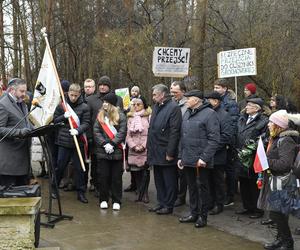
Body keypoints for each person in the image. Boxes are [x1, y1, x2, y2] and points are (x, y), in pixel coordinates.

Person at [178, 90, 220, 228]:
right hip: (188, 158)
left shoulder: (210, 114)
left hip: (201, 160)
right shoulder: (187, 113)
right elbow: (182, 137)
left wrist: (204, 158)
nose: (186, 101)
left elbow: (214, 139)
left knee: (202, 188)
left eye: (188, 98)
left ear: (196, 100)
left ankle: (203, 216)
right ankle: (193, 213)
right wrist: (181, 156)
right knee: (192, 188)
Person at [260, 110, 300, 250]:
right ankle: (280, 239)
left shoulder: (286, 140)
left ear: (278, 125)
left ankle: (288, 243)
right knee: (276, 213)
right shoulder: (277, 138)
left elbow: (285, 164)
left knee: (279, 214)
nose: (269, 124)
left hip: (284, 182)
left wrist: (266, 161)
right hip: (277, 181)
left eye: (271, 122)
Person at [147, 84, 182, 215]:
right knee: (158, 179)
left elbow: (175, 131)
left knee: (169, 180)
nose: (153, 97)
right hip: (155, 149)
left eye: (155, 94)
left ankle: (169, 204)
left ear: (162, 94)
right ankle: (161, 202)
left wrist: (170, 152)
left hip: (166, 150)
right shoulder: (156, 106)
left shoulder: (173, 108)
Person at [87, 75, 123, 197]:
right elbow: (89, 119)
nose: (102, 87)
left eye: (105, 85)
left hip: (114, 139)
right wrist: (90, 137)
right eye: (100, 85)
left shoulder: (118, 99)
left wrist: (116, 141)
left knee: (114, 167)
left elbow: (120, 120)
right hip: (98, 138)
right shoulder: (91, 99)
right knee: (97, 165)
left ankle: (112, 189)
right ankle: (98, 187)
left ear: (109, 86)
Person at [53, 83, 90, 203]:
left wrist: (78, 130)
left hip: (77, 142)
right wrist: (63, 116)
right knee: (60, 166)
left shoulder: (85, 107)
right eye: (71, 95)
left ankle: (81, 192)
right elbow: (54, 120)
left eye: (76, 95)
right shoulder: (62, 105)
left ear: (79, 94)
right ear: (68, 93)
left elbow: (86, 123)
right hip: (64, 141)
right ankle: (54, 188)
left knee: (79, 169)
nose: (73, 97)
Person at [235, 98, 268, 218]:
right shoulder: (242, 118)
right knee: (243, 182)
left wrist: (251, 148)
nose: (246, 107)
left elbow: (265, 139)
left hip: (253, 157)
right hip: (240, 155)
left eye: (249, 105)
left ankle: (257, 209)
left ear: (257, 108)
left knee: (254, 184)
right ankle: (247, 207)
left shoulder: (264, 121)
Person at [94, 93, 127, 211]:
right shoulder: (100, 116)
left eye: (106, 102)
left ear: (112, 104)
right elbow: (96, 131)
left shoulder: (121, 116)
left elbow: (122, 132)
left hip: (116, 152)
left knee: (116, 178)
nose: (104, 104)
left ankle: (116, 200)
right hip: (103, 152)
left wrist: (112, 144)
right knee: (103, 177)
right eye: (103, 102)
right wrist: (104, 144)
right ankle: (103, 199)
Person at [205, 91, 234, 215]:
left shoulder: (224, 115)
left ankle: (219, 204)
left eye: (209, 100)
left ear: (216, 101)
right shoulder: (207, 113)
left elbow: (226, 136)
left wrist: (211, 147)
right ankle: (210, 202)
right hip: (207, 153)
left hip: (217, 154)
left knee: (218, 180)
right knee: (208, 180)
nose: (206, 102)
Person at [0, 78, 32, 187]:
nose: (24, 94)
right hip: (9, 163)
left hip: (23, 160)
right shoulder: (3, 105)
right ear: (12, 90)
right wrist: (19, 132)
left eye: (25, 91)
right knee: (9, 198)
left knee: (22, 195)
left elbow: (24, 122)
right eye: (22, 91)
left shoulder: (22, 103)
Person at [214, 78, 239, 207]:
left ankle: (230, 195)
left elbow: (233, 123)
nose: (216, 90)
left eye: (218, 87)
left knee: (229, 169)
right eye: (215, 87)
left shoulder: (231, 103)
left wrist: (229, 140)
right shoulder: (215, 101)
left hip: (227, 141)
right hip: (217, 139)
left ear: (225, 88)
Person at [126, 96, 151, 203]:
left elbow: (151, 133)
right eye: (134, 104)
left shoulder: (149, 116)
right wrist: (133, 146)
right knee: (136, 171)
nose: (136, 106)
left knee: (145, 172)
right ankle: (139, 192)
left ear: (144, 105)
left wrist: (144, 145)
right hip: (134, 149)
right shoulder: (130, 117)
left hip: (145, 148)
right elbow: (127, 135)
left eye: (138, 104)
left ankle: (145, 193)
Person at [170, 81, 188, 207]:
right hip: (172, 142)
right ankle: (173, 194)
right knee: (173, 172)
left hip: (183, 142)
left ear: (183, 91)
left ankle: (181, 197)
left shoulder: (188, 105)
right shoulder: (171, 103)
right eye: (171, 92)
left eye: (175, 92)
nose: (173, 95)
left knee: (182, 172)